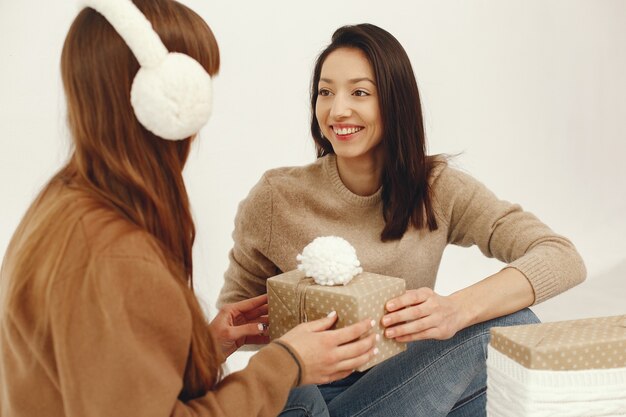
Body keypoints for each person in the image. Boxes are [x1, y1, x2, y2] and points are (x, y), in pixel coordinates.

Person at [0, 2, 379, 417]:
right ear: (161, 100)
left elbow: (110, 375)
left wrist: (200, 347)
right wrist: (286, 362)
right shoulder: (114, 256)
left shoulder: (63, 202)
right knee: (302, 394)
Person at [218, 23, 586, 417]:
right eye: (325, 92)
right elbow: (235, 327)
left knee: (514, 328)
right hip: (311, 398)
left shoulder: (438, 189)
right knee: (296, 393)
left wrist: (456, 310)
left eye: (360, 92)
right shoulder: (276, 198)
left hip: (407, 384)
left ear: (395, 102)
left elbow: (562, 257)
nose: (337, 109)